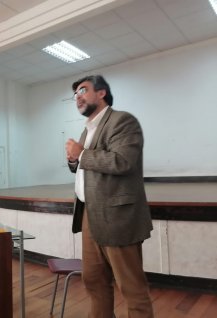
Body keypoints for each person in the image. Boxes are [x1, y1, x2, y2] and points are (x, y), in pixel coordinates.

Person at [65, 75, 154, 318]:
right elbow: (86, 164)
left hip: (117, 216)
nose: (78, 97)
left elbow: (123, 161)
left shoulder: (123, 121)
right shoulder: (86, 131)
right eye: (75, 94)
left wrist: (81, 155)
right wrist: (74, 161)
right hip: (88, 214)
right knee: (94, 281)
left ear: (102, 93)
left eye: (83, 90)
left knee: (132, 288)